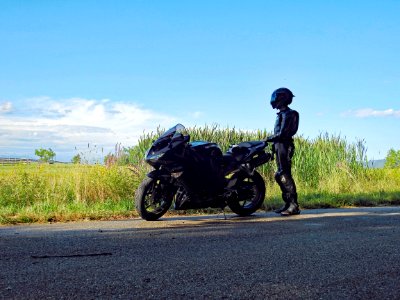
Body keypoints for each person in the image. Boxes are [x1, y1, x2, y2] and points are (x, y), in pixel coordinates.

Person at [266, 87, 300, 216]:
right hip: (279, 145)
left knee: (284, 174)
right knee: (279, 174)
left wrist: (268, 138)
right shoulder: (281, 114)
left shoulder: (289, 114)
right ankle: (287, 203)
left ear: (282, 98)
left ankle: (294, 205)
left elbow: (283, 133)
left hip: (284, 145)